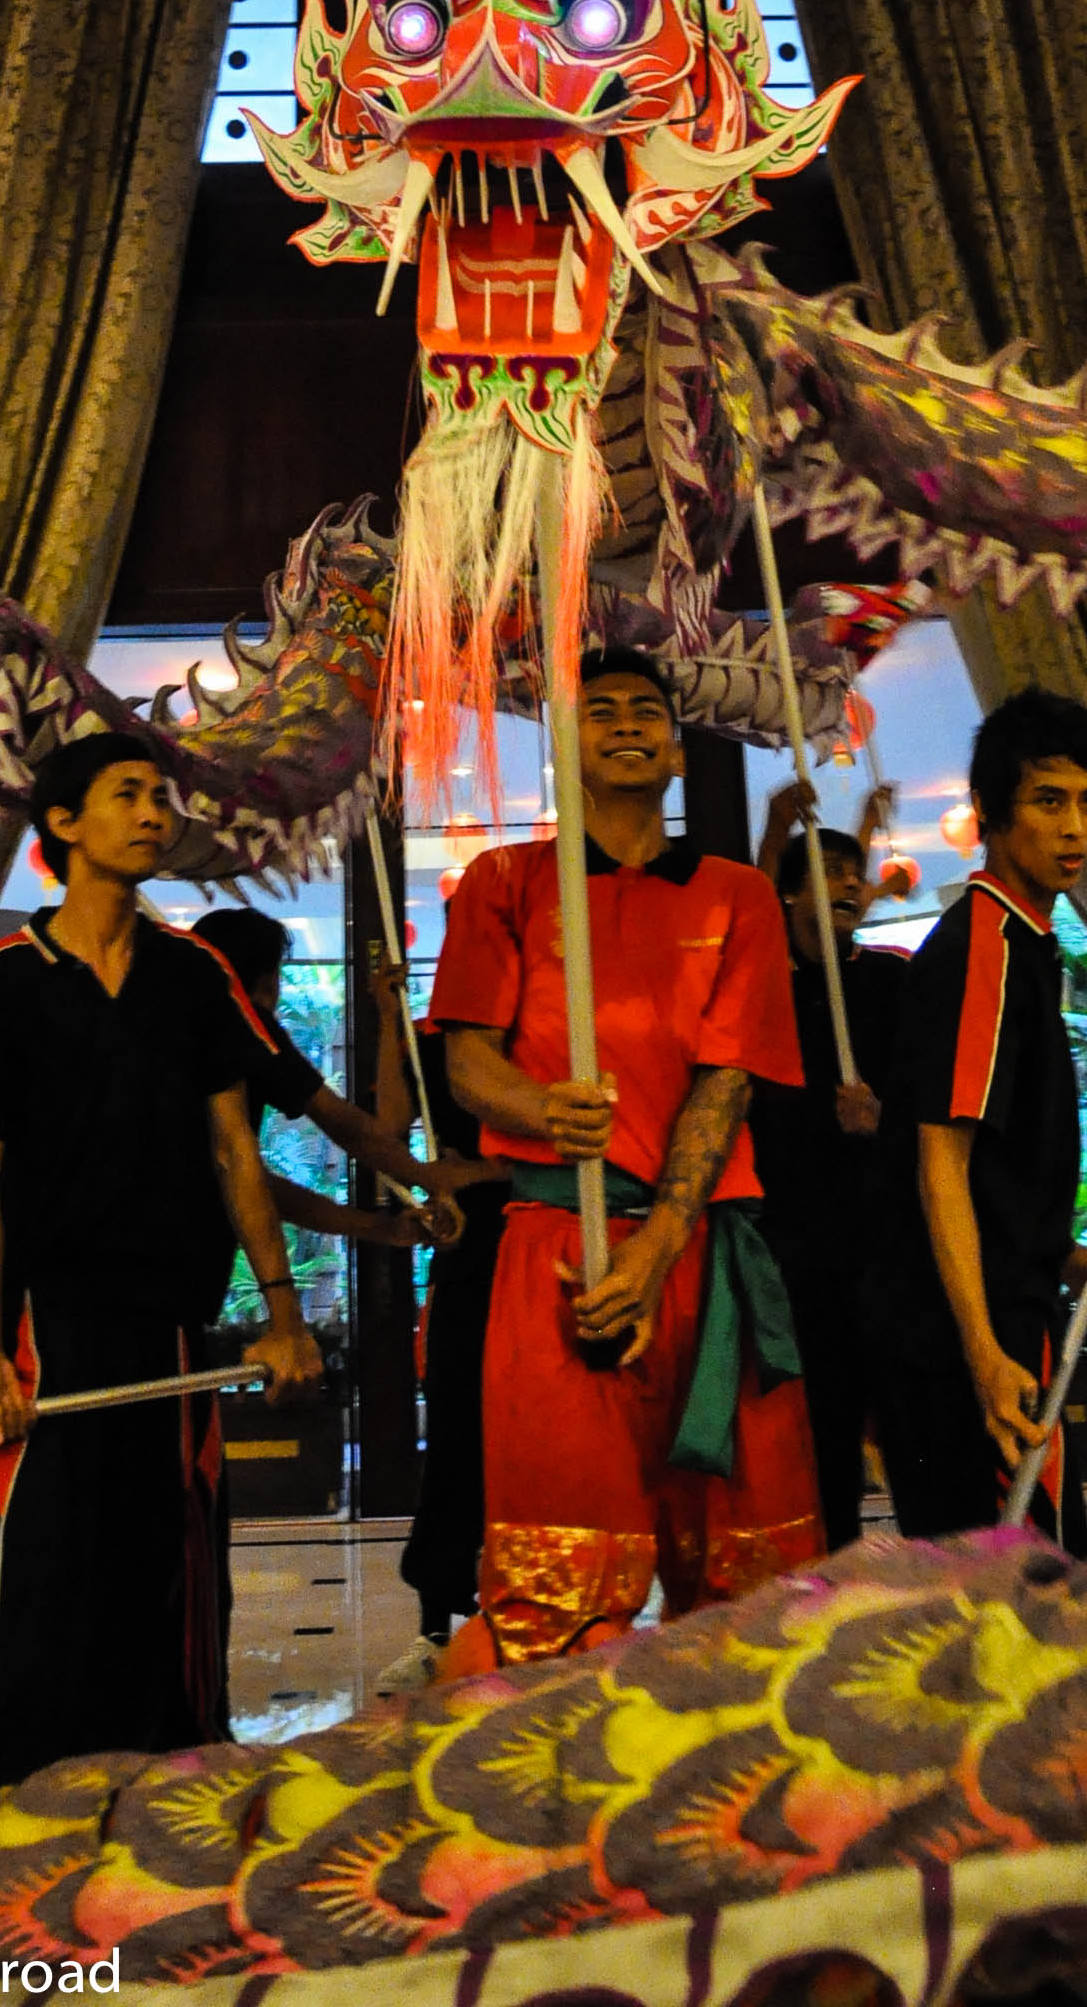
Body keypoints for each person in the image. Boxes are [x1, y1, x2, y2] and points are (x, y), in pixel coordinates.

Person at [0, 734, 322, 1796]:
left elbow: (235, 1150)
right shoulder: (0, 980)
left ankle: (168, 1792)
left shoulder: (194, 974)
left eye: (161, 797)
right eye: (128, 795)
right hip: (41, 1328)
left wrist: (282, 1313)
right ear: (62, 824)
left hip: (171, 1327)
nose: (155, 813)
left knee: (165, 1573)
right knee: (35, 1571)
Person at [429, 647, 823, 1671]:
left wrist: (652, 1255)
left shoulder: (737, 895)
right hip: (556, 1248)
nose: (625, 725)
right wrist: (542, 1109)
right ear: (566, 750)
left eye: (646, 711)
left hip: (704, 1252)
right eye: (597, 711)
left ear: (679, 753)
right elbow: (468, 1062)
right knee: (560, 1576)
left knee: (749, 1590)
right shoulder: (502, 882)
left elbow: (726, 1083)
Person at [864, 689, 1087, 1552]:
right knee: (1010, 1589)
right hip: (963, 1335)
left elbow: (990, 1164)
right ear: (990, 811)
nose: (1074, 828)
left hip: (987, 1310)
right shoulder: (985, 945)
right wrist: (981, 1349)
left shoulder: (1023, 941)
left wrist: (1056, 1248)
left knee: (1017, 1583)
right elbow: (939, 1159)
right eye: (1048, 802)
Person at [750, 787, 909, 1549]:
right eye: (829, 874)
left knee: (909, 1417)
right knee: (824, 1426)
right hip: (798, 1248)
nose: (849, 885)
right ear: (788, 897)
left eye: (855, 875)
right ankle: (832, 1564)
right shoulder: (767, 988)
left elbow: (930, 1106)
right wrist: (776, 824)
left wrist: (881, 1120)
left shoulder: (890, 982)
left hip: (887, 1242)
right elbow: (753, 912)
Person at [379, 928, 512, 1695]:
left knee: (523, 1440)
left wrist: (481, 1172)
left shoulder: (540, 1033)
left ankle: (524, 1614)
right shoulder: (432, 1041)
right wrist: (386, 1023)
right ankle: (434, 1627)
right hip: (466, 1255)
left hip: (534, 1242)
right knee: (456, 1436)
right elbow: (392, 1127)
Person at [190, 904, 483, 1243]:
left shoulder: (170, 1028)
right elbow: (353, 1129)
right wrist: (430, 1177)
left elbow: (249, 1180)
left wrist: (385, 1225)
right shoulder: (245, 1025)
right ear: (267, 983)